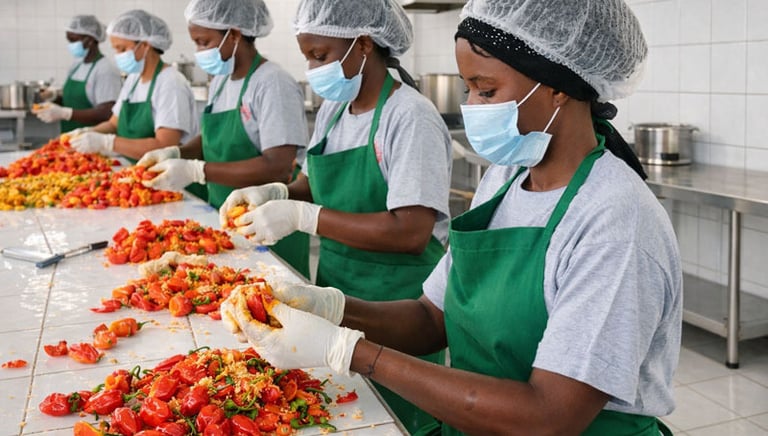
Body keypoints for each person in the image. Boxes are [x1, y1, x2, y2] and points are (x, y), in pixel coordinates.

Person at [220, 0, 683, 435]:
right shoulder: (505, 178)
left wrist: (351, 351)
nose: (472, 107)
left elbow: (550, 416)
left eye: (487, 90)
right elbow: (430, 318)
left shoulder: (616, 221)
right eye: (468, 89)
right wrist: (330, 308)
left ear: (559, 86)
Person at [220, 0, 452, 431]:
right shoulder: (332, 111)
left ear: (363, 44)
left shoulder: (409, 116)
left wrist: (305, 217)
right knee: (341, 414)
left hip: (398, 307)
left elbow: (412, 231)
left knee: (393, 422)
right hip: (333, 296)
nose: (311, 67)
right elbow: (312, 182)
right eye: (307, 55)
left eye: (320, 55)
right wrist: (274, 192)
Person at [137, 0, 311, 278]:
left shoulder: (272, 83)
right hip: (222, 217)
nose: (199, 51)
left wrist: (197, 171)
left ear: (234, 34)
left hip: (268, 227)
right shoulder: (220, 81)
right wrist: (176, 153)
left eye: (204, 42)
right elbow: (210, 138)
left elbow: (279, 166)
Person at [68, 10, 199, 163]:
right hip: (134, 170)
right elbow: (113, 123)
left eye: (122, 49)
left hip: (169, 178)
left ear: (145, 45)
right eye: (115, 49)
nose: (118, 55)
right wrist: (87, 133)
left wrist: (108, 142)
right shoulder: (134, 79)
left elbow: (164, 145)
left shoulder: (171, 83)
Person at [32, 15, 121, 133]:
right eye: (69, 40)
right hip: (69, 137)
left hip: (93, 138)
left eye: (73, 40)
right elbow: (71, 100)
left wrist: (66, 113)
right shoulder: (77, 66)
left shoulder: (105, 70)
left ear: (89, 40)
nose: (71, 45)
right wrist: (53, 98)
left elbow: (107, 112)